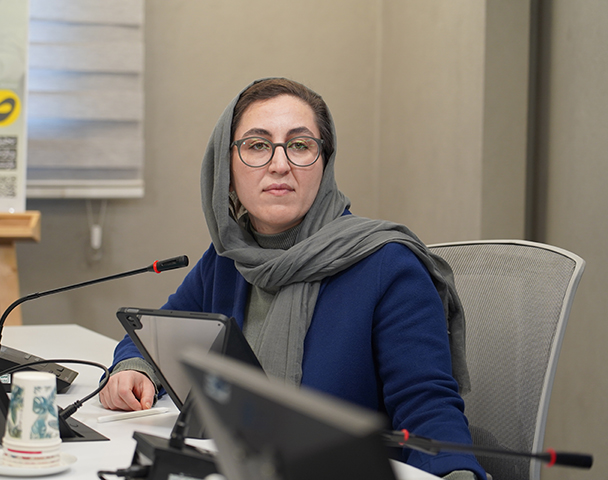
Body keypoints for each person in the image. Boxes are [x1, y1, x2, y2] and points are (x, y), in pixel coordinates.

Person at [100, 78, 487, 480]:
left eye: (300, 145)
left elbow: (427, 409)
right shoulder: (228, 259)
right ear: (226, 168)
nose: (279, 165)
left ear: (324, 164)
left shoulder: (388, 265)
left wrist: (455, 473)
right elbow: (156, 333)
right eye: (257, 145)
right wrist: (134, 369)